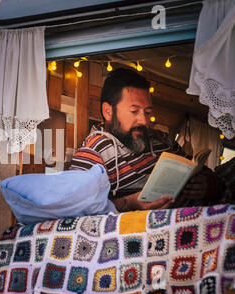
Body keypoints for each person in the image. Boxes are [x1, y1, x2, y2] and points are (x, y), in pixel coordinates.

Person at [70, 68, 218, 212]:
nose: (144, 121)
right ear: (108, 112)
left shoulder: (163, 139)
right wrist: (128, 203)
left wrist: (206, 185)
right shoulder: (93, 151)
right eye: (134, 111)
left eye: (147, 112)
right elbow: (76, 209)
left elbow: (210, 177)